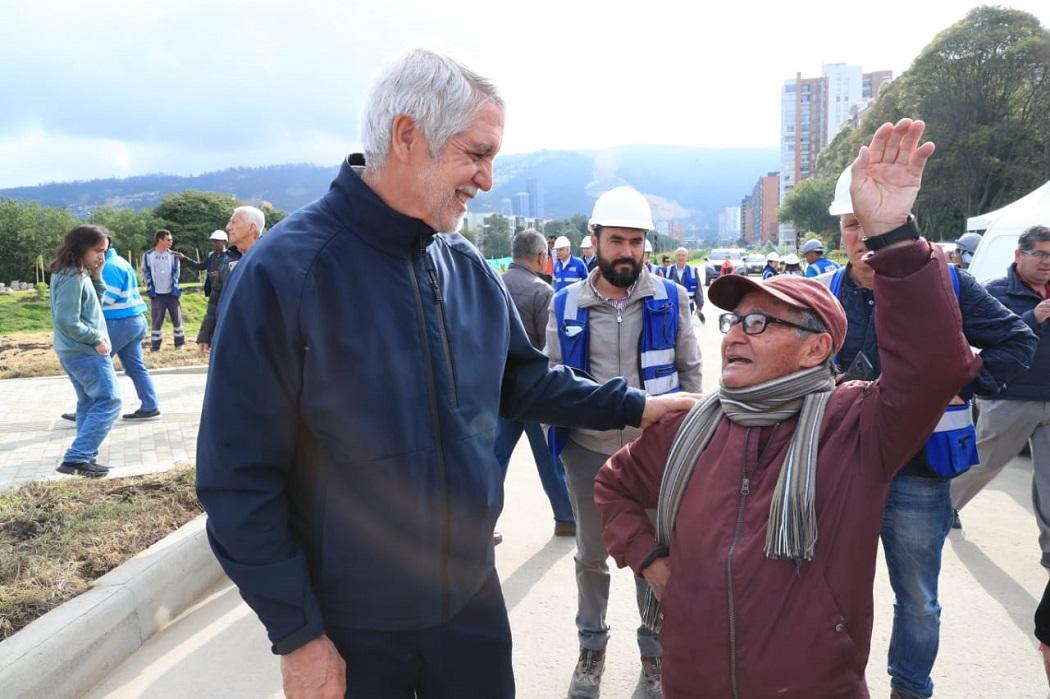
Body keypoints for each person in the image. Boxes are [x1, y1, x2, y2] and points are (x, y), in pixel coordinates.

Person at [194, 49, 696, 699]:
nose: (487, 179)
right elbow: (236, 477)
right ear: (407, 136)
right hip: (355, 629)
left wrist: (633, 406)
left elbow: (523, 381)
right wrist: (297, 634)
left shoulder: (462, 266)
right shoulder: (286, 274)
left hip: (470, 611)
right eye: (476, 154)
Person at [594, 119, 982, 697]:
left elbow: (934, 367)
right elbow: (614, 487)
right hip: (692, 680)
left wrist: (893, 235)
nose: (733, 337)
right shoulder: (691, 426)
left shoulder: (855, 428)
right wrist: (654, 563)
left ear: (815, 348)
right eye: (732, 322)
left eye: (758, 323)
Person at [823, 164, 1036, 699]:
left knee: (917, 598)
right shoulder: (823, 291)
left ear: (904, 225)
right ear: (840, 233)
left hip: (920, 472)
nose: (864, 235)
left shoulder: (948, 283)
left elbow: (1016, 341)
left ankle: (910, 689)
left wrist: (961, 382)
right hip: (840, 469)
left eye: (873, 223)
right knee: (825, 591)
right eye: (851, 224)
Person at [547, 185, 702, 699]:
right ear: (594, 241)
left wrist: (686, 446)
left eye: (637, 242)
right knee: (592, 556)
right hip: (587, 453)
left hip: (652, 458)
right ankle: (592, 646)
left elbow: (691, 375)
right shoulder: (566, 303)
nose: (628, 252)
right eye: (617, 240)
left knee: (652, 554)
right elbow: (551, 378)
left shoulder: (670, 298)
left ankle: (655, 654)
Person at [952, 225, 1050, 566]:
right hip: (1011, 395)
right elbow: (975, 341)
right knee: (984, 462)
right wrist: (1031, 318)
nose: (1047, 262)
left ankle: (1049, 547)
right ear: (1018, 255)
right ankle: (944, 506)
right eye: (1040, 253)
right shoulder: (995, 293)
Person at [494, 229, 575, 536]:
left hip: (499, 391)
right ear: (542, 257)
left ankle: (479, 520)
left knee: (492, 459)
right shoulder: (542, 292)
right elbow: (550, 350)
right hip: (533, 393)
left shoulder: (493, 285)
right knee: (550, 459)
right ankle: (567, 518)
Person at [49, 225, 121, 478]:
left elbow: (93, 307)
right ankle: (77, 457)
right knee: (110, 401)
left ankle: (85, 457)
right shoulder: (72, 277)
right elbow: (67, 320)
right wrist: (95, 339)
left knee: (89, 403)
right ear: (81, 248)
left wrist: (98, 276)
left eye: (105, 251)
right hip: (85, 351)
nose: (102, 256)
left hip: (74, 351)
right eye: (97, 251)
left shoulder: (75, 273)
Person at [101, 243, 161, 421]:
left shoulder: (109, 266)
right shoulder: (120, 261)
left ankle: (91, 409)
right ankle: (150, 406)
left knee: (96, 364)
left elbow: (108, 298)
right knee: (135, 367)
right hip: (134, 320)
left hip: (119, 322)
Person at [196, 206, 265, 355]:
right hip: (228, 340)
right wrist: (206, 333)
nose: (228, 227)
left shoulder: (269, 259)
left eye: (234, 222)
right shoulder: (228, 261)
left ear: (251, 228)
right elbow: (215, 301)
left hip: (260, 344)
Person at [141, 229, 185, 351]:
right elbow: (145, 272)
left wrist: (175, 288)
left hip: (172, 294)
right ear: (160, 240)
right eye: (168, 239)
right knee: (156, 321)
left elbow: (177, 273)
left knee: (177, 320)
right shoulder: (148, 255)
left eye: (171, 239)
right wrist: (149, 287)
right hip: (157, 294)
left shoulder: (173, 256)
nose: (171, 242)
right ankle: (155, 346)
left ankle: (179, 344)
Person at [177, 229, 228, 297]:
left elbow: (234, 273)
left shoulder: (230, 256)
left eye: (216, 241)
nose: (213, 243)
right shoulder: (211, 256)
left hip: (226, 292)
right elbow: (200, 266)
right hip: (213, 292)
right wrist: (184, 258)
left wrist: (219, 274)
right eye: (212, 241)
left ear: (224, 242)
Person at [664, 247, 703, 318]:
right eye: (679, 255)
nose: (681, 257)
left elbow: (698, 290)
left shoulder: (693, 271)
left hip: (688, 308)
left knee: (687, 329)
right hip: (671, 308)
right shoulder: (667, 270)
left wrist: (699, 307)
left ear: (686, 257)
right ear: (675, 257)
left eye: (683, 255)